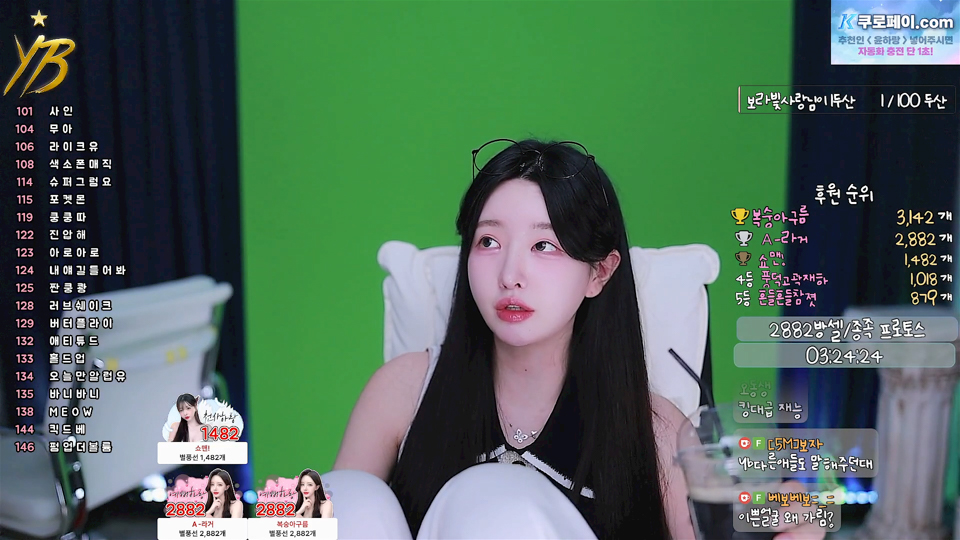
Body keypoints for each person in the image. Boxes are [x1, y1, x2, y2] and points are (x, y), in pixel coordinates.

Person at [332, 139, 824, 539]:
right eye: (489, 241)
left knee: (493, 499)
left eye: (544, 245)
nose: (510, 274)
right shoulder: (403, 391)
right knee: (347, 497)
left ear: (599, 273)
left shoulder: (653, 429)